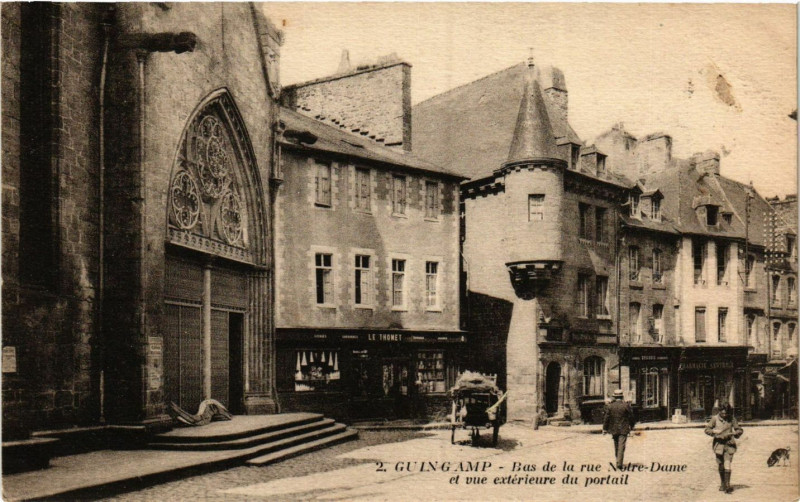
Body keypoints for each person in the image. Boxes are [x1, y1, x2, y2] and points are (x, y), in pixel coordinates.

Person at [704, 403, 743, 494]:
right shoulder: (714, 419)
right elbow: (707, 429)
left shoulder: (732, 419)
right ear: (719, 411)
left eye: (726, 413)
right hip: (718, 445)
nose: (724, 415)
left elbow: (739, 429)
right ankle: (722, 483)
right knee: (721, 464)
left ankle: (728, 485)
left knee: (727, 463)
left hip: (729, 444)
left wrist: (734, 433)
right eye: (723, 413)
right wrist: (714, 432)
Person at [603, 389, 635, 468]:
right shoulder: (626, 405)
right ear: (622, 396)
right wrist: (632, 426)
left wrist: (605, 429)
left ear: (614, 397)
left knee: (616, 445)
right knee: (621, 446)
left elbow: (606, 418)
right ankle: (619, 463)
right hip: (623, 429)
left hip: (613, 428)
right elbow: (631, 417)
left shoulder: (610, 406)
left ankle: (618, 460)